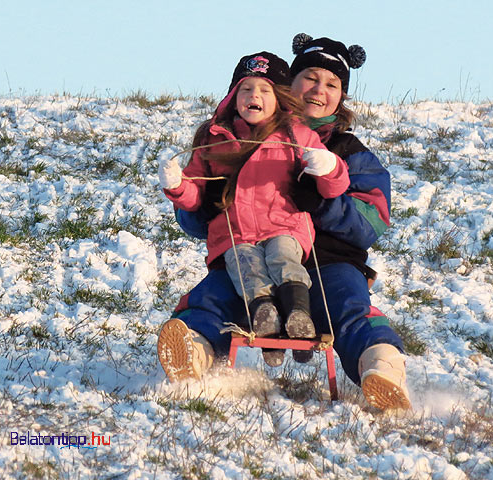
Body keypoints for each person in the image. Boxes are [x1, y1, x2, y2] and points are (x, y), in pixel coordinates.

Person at [158, 35, 411, 411]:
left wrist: (324, 203)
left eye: (332, 84)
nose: (318, 91)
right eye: (310, 78)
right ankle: (191, 352)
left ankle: (382, 367)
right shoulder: (235, 140)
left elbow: (371, 222)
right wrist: (206, 203)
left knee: (347, 305)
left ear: (342, 96)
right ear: (288, 85)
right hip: (248, 250)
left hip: (328, 262)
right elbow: (194, 219)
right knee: (212, 295)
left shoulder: (349, 152)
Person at [157, 51, 350, 367]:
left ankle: (299, 315)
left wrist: (328, 166)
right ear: (233, 97)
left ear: (279, 99)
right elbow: (194, 195)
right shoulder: (215, 138)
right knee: (246, 269)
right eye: (245, 89)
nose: (254, 96)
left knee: (283, 259)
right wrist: (177, 185)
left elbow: (333, 187)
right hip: (236, 233)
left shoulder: (297, 135)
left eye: (264, 90)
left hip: (284, 225)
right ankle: (265, 320)